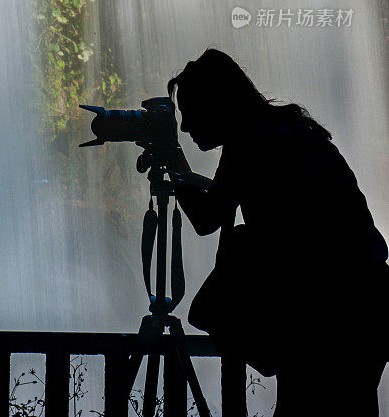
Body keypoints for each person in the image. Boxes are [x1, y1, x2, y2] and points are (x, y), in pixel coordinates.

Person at [163, 48, 388, 416]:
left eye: (189, 112)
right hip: (367, 302)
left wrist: (171, 157)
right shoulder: (287, 129)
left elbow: (207, 218)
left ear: (216, 103)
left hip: (326, 313)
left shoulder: (250, 141)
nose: (185, 126)